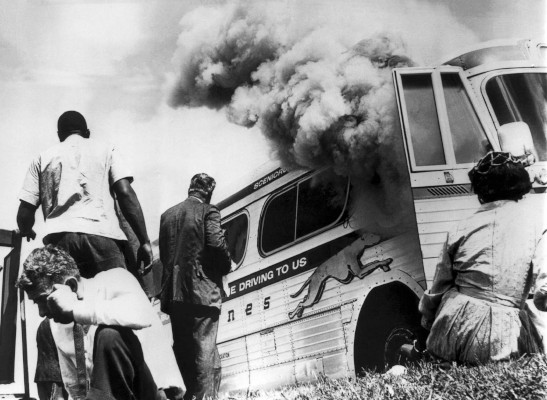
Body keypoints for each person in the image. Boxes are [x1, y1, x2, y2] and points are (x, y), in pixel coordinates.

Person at [419, 151, 547, 365]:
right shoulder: (538, 223)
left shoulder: (459, 227)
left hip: (449, 332)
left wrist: (429, 325)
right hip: (499, 339)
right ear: (521, 185)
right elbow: (544, 294)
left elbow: (438, 289)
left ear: (480, 190)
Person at [17, 110, 153, 279]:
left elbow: (25, 212)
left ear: (60, 135)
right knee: (113, 298)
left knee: (67, 301)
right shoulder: (107, 150)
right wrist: (144, 241)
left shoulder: (42, 158)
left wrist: (26, 229)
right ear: (87, 133)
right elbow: (125, 193)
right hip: (102, 235)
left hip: (59, 240)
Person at [17, 245, 163, 400]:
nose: (41, 312)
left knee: (109, 335)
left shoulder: (115, 280)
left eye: (43, 300)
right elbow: (62, 389)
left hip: (145, 393)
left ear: (71, 286)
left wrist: (75, 310)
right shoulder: (50, 326)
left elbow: (143, 316)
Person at [159, 173, 232, 400]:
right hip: (202, 293)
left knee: (183, 350)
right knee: (204, 350)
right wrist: (226, 265)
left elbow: (165, 256)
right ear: (208, 192)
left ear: (190, 189)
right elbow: (216, 245)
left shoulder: (166, 216)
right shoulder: (209, 211)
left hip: (174, 295)